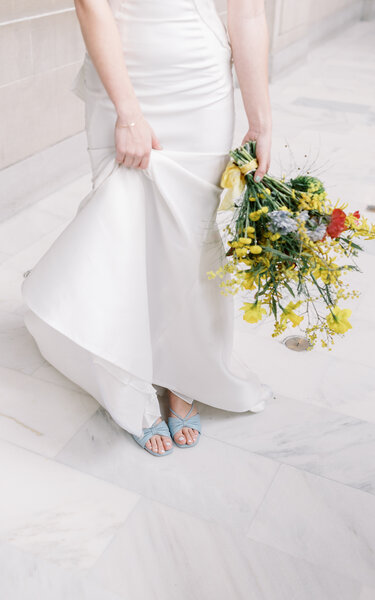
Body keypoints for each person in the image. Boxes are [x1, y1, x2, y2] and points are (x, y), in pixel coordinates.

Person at [21, 0, 273, 456]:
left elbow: (249, 12)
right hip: (123, 75)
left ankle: (185, 373)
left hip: (201, 82)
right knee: (120, 230)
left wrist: (261, 122)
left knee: (191, 240)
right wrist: (128, 113)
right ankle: (126, 380)